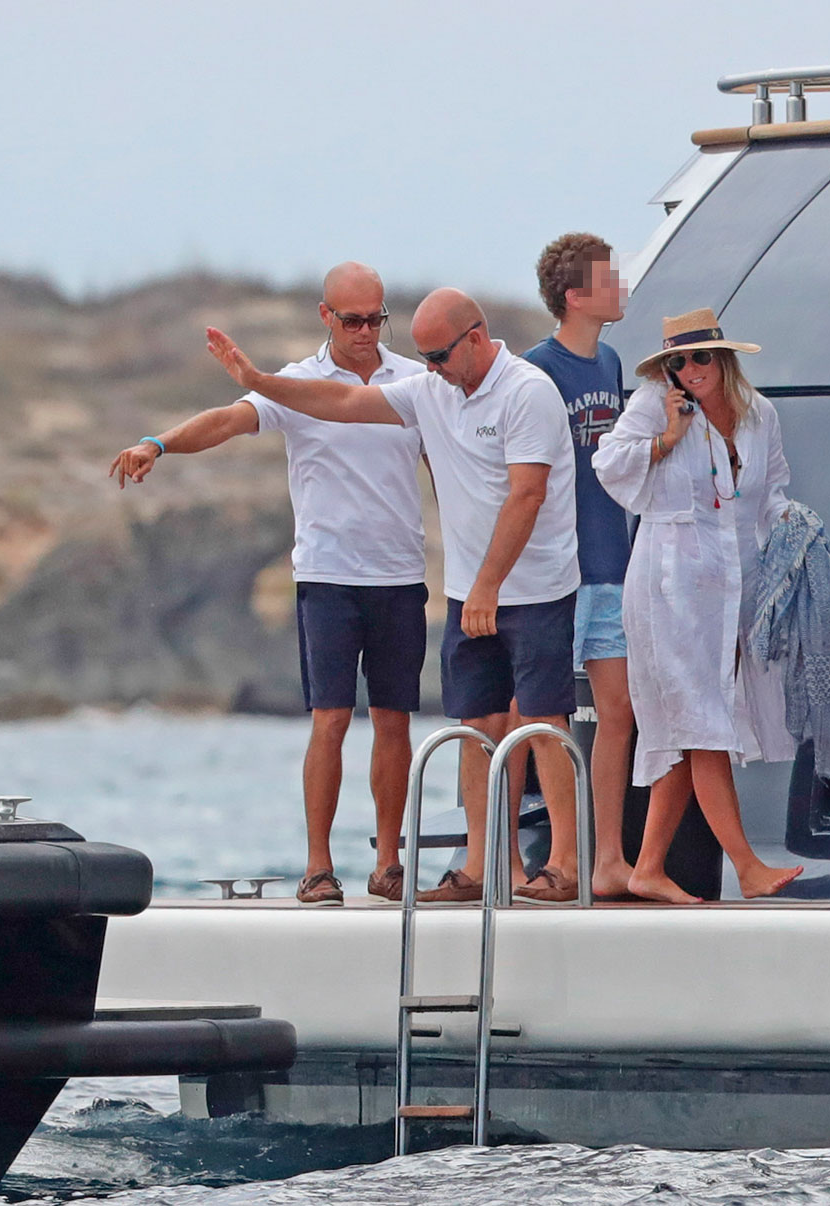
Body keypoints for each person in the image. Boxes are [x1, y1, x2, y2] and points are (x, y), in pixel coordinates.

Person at [202, 289, 585, 903]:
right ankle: (484, 865)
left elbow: (528, 495)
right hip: (468, 594)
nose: (430, 367)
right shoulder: (433, 390)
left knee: (542, 720)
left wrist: (489, 585)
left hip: (533, 589)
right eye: (424, 357)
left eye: (439, 356)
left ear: (476, 338)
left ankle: (564, 865)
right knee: (476, 727)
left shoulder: (527, 391)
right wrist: (258, 382)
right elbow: (343, 401)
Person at [108, 263, 427, 906]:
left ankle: (388, 863)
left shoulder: (415, 382)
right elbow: (226, 421)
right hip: (328, 577)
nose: (366, 332)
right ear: (325, 317)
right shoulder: (297, 382)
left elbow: (456, 463)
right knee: (330, 719)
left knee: (394, 722)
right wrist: (156, 444)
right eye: (352, 320)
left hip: (400, 575)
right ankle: (318, 867)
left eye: (376, 319)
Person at [593, 308, 804, 904]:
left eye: (700, 357)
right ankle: (746, 865)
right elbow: (608, 465)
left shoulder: (759, 414)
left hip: (734, 586)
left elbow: (771, 494)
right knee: (705, 724)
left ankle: (647, 867)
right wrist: (666, 438)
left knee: (695, 726)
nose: (690, 369)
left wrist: (798, 539)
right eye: (677, 361)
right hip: (670, 587)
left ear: (723, 358)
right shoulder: (653, 404)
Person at [520, 233, 637, 899]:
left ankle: (606, 858)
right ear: (575, 296)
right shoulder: (536, 372)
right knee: (537, 713)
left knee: (618, 711)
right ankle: (539, 857)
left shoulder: (611, 362)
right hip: (556, 572)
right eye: (608, 279)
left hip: (611, 563)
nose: (620, 287)